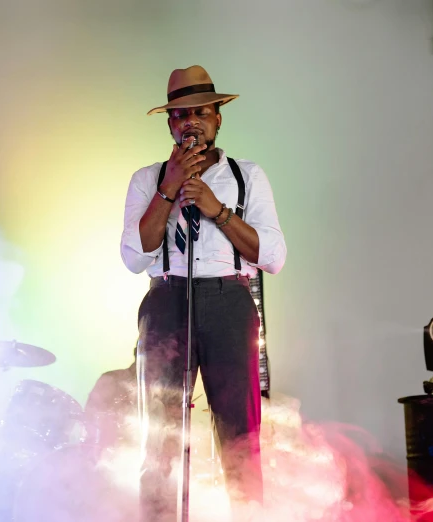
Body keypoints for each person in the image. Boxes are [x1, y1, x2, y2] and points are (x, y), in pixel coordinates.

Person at [120, 65, 287, 521]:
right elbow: (136, 256)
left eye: (201, 111)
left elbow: (272, 256)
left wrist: (218, 212)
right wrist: (169, 189)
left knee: (239, 435)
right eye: (179, 114)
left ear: (218, 118)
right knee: (161, 437)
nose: (190, 121)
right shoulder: (147, 179)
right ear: (170, 124)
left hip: (229, 302)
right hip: (166, 300)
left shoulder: (245, 176)